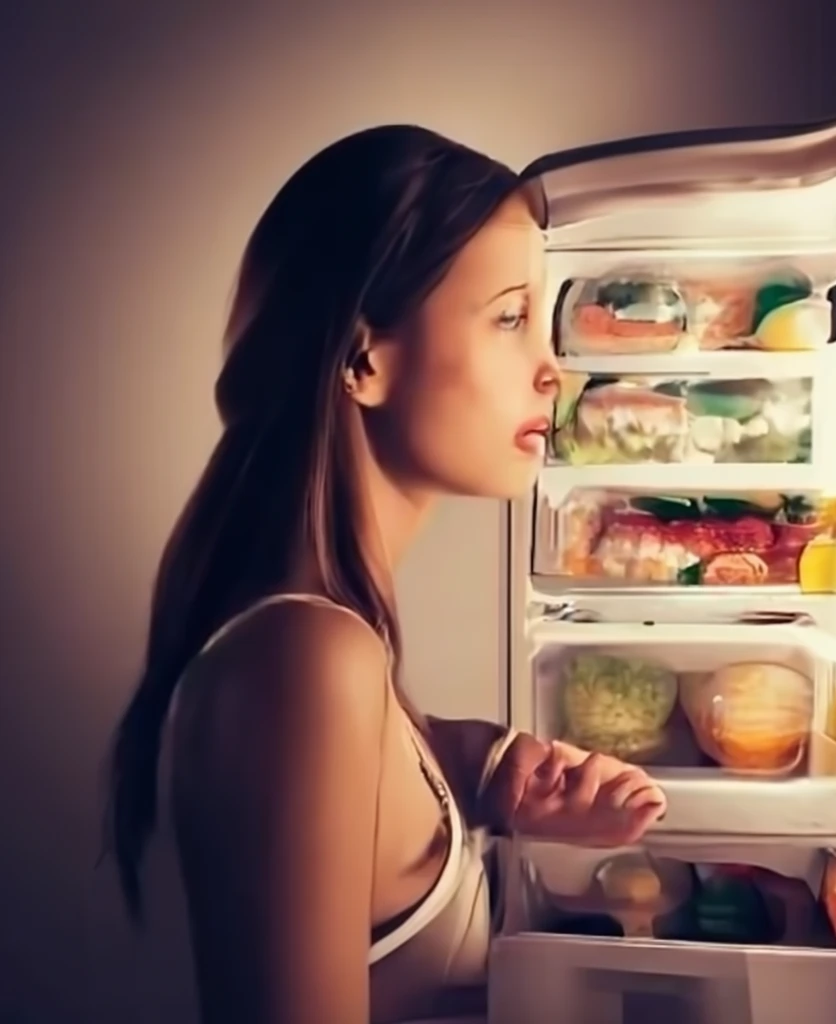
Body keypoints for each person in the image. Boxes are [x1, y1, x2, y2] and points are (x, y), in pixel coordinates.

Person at [103, 125, 667, 1024]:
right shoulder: (310, 657)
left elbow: (368, 776)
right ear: (364, 359)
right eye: (510, 317)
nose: (552, 370)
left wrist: (487, 767)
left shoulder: (321, 644)